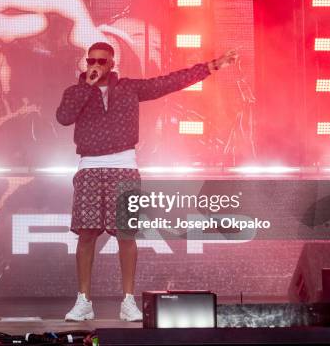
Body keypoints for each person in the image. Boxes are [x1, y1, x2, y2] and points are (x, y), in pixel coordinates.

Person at [56, 42, 238, 321]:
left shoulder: (129, 89)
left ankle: (128, 301)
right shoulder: (75, 92)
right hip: (90, 166)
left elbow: (168, 82)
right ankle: (83, 301)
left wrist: (210, 66)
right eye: (91, 60)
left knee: (126, 234)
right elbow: (64, 117)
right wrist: (86, 87)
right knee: (87, 233)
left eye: (102, 61)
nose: (96, 65)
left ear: (112, 64)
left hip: (124, 165)